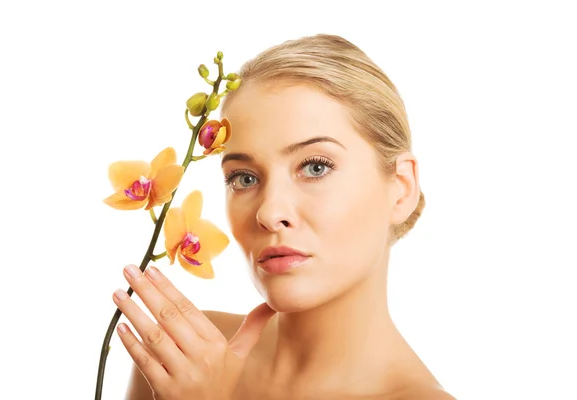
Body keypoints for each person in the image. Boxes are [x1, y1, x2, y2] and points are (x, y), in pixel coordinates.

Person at [115, 33, 456, 399]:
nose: (269, 212)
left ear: (401, 187)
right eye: (243, 178)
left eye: (314, 168)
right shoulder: (182, 360)